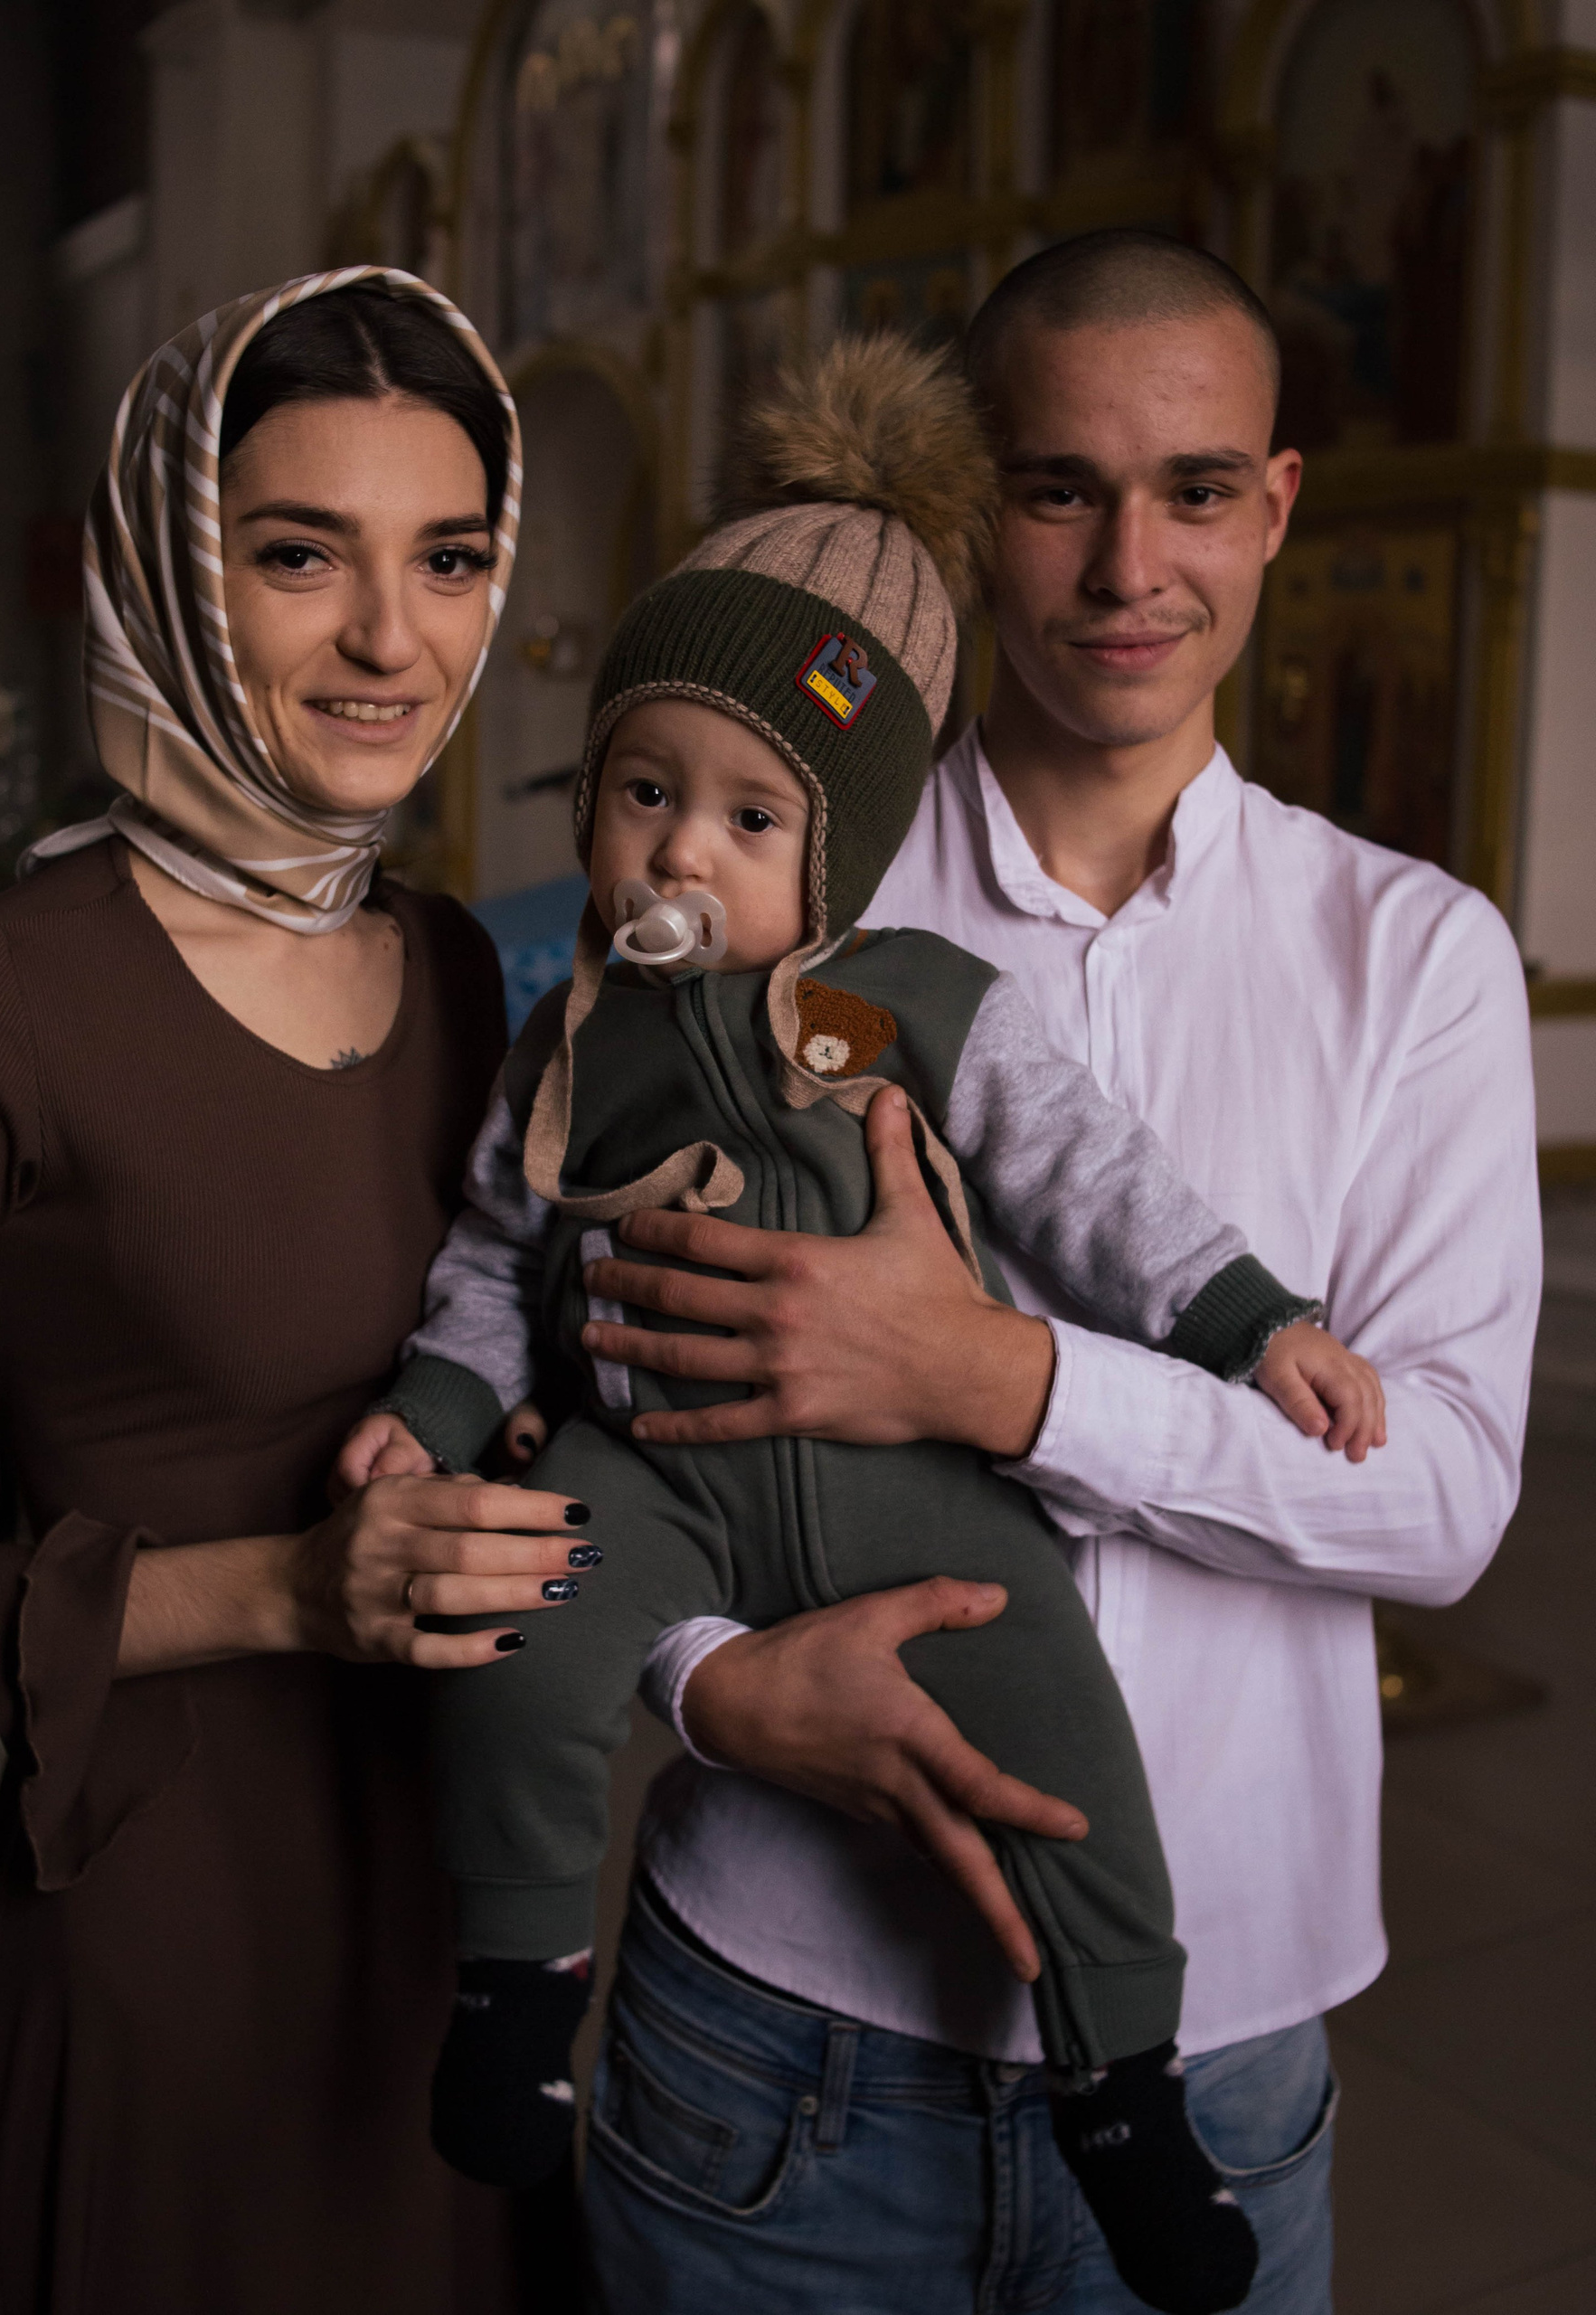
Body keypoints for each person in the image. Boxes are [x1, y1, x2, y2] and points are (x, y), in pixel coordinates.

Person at [551, 232, 1539, 2311]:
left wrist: (1002, 1378)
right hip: (780, 2019)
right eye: (1060, 487)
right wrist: (702, 1676)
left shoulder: (1412, 955)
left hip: (1223, 2041)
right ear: (966, 506)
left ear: (1276, 503)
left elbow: (1443, 1493)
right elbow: (586, 1360)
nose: (1127, 568)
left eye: (1196, 489)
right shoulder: (771, 873)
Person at [346, 335, 1384, 2315]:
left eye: (752, 819)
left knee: (1069, 1736)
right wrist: (440, 1400)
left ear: (837, 850)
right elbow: (491, 1245)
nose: (678, 851)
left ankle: (1124, 2082)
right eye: (646, 791)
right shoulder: (572, 1036)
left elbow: (1093, 1182)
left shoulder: (888, 996)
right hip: (653, 1468)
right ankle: (514, 1985)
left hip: (915, 1481)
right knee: (520, 1634)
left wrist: (1254, 1321)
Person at [0, 269, 594, 2315]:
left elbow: (492, 1352)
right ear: (172, 570)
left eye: (448, 557)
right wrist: (285, 1589)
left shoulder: (461, 967)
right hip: (162, 1946)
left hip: (465, 1916)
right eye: (299, 555)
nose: (391, 638)